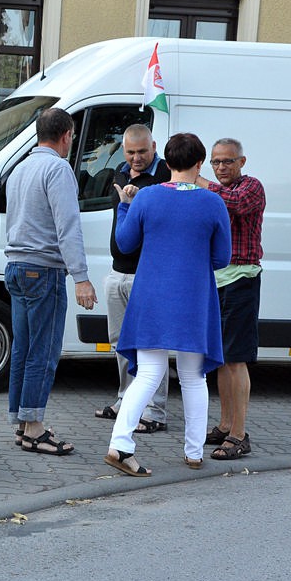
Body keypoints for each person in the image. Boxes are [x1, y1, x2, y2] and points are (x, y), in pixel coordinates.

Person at [103, 132, 231, 477]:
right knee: (192, 377)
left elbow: (125, 243)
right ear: (200, 163)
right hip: (193, 298)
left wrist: (125, 205)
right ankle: (193, 453)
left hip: (151, 297)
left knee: (147, 373)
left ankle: (120, 443)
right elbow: (222, 258)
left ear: (167, 162)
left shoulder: (147, 198)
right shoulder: (213, 202)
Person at [5, 107, 97, 455]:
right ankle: (35, 429)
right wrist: (82, 278)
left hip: (16, 267)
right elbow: (67, 227)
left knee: (24, 350)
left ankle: (23, 423)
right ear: (67, 136)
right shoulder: (58, 168)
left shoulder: (20, 168)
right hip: (44, 270)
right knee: (43, 352)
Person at [94, 124, 171, 433]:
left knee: (152, 343)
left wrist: (140, 200)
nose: (136, 158)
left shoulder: (164, 175)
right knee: (120, 341)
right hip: (118, 270)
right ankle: (127, 399)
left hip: (148, 273)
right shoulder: (119, 173)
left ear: (154, 146)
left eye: (142, 152)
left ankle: (155, 411)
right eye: (130, 152)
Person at [195, 138, 266, 460]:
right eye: (215, 162)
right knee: (221, 358)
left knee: (236, 359)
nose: (221, 167)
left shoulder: (251, 187)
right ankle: (224, 426)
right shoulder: (213, 190)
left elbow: (234, 204)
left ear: (242, 161)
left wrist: (199, 181)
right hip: (217, 280)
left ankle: (239, 434)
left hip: (241, 280)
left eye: (227, 161)